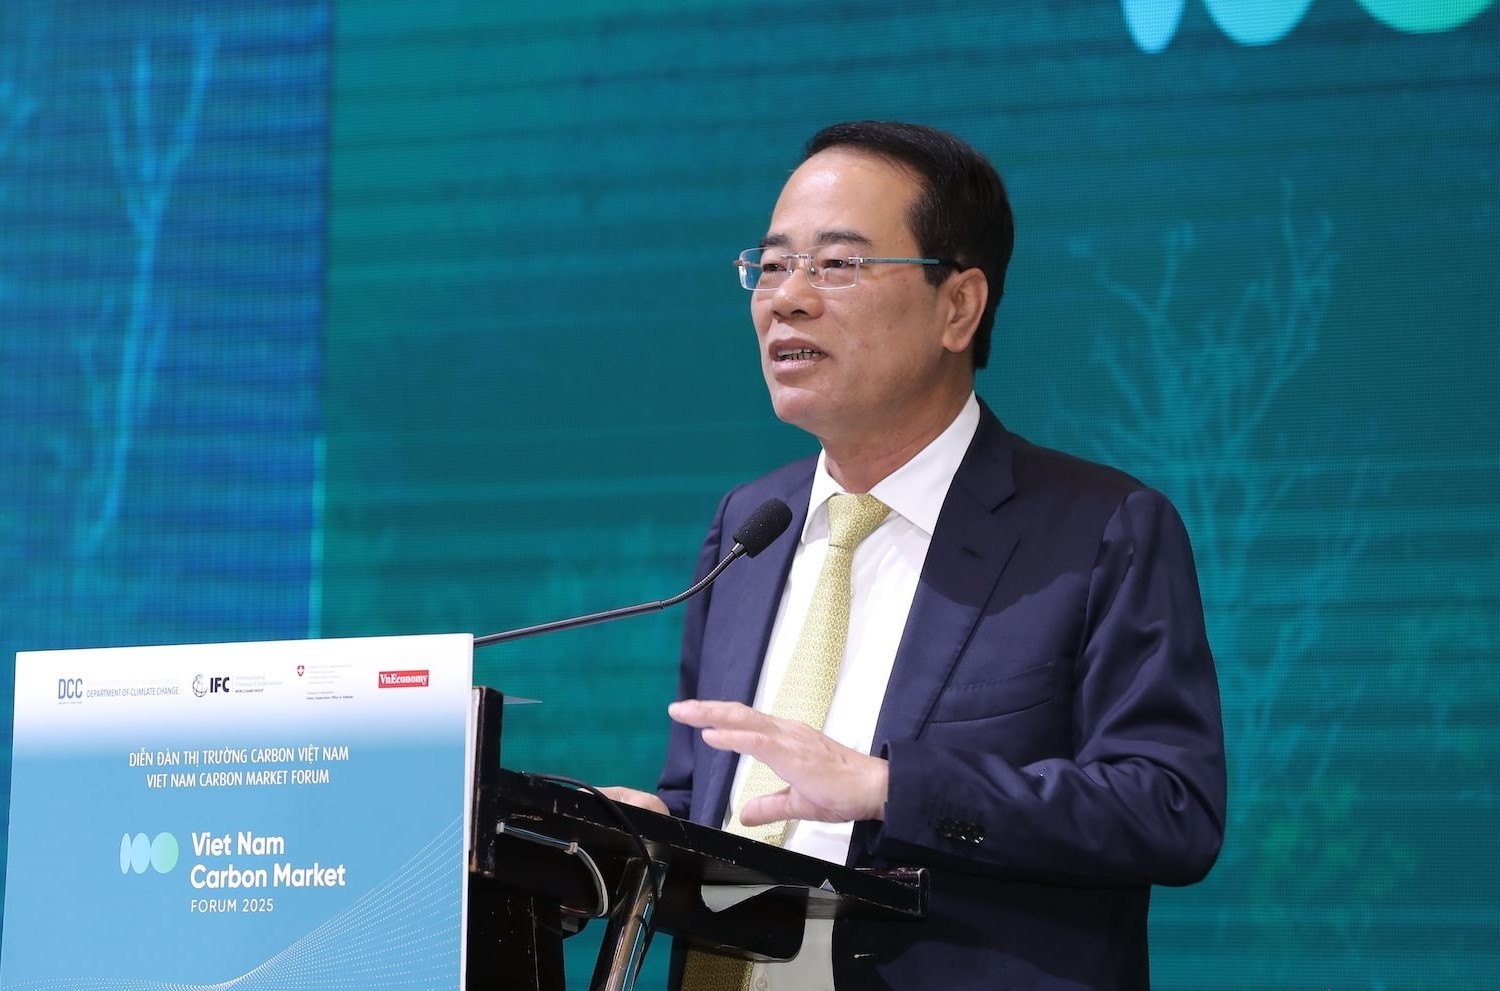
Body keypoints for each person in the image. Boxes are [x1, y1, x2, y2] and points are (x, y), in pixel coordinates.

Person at [606, 120, 1226, 990]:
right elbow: (718, 799)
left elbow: (1170, 807)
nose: (787, 298)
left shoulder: (1099, 530)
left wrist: (894, 790)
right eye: (772, 265)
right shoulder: (750, 523)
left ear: (959, 306)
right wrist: (642, 827)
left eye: (837, 264)